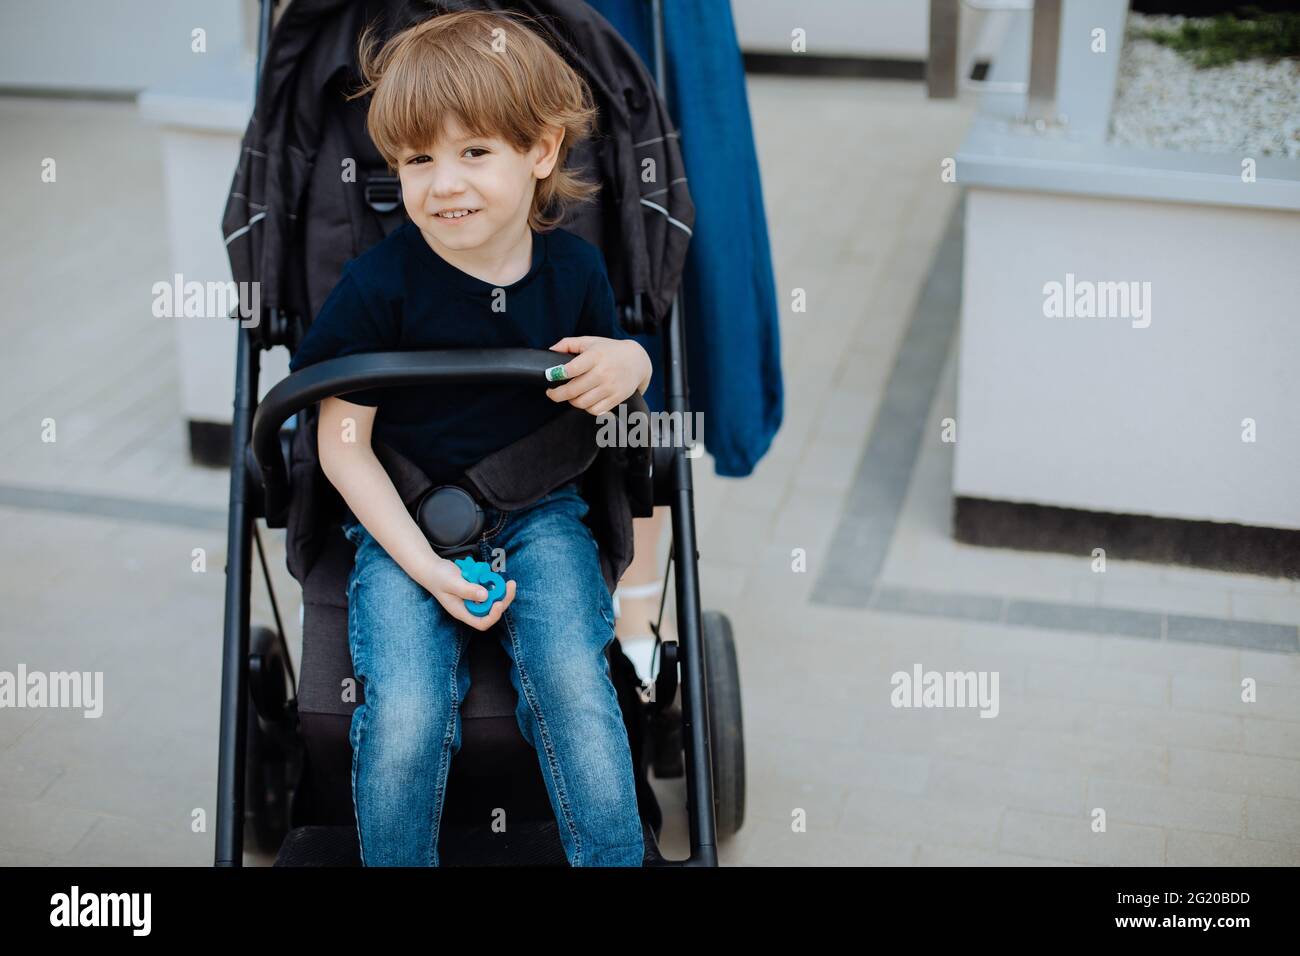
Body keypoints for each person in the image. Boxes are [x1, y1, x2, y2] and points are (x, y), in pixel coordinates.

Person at [288, 9, 652, 867]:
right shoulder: (377, 287)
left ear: (543, 151)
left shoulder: (576, 275)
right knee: (408, 712)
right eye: (419, 160)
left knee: (573, 686)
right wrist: (428, 569)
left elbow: (611, 398)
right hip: (402, 525)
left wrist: (630, 361)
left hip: (542, 511)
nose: (443, 183)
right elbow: (341, 445)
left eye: (474, 152)